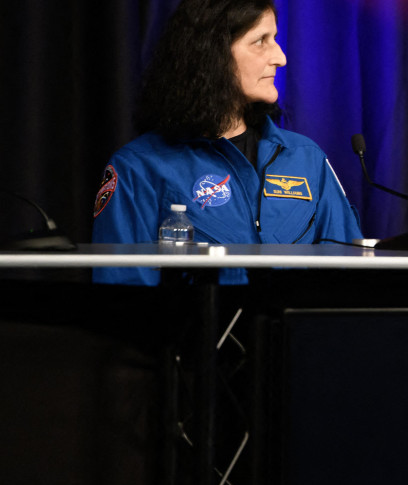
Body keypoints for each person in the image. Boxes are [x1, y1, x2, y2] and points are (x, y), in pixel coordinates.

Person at [92, 0, 361, 285]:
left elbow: (351, 278)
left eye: (275, 39)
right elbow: (123, 298)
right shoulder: (139, 167)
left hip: (294, 328)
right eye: (260, 41)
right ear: (211, 55)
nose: (280, 57)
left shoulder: (306, 158)